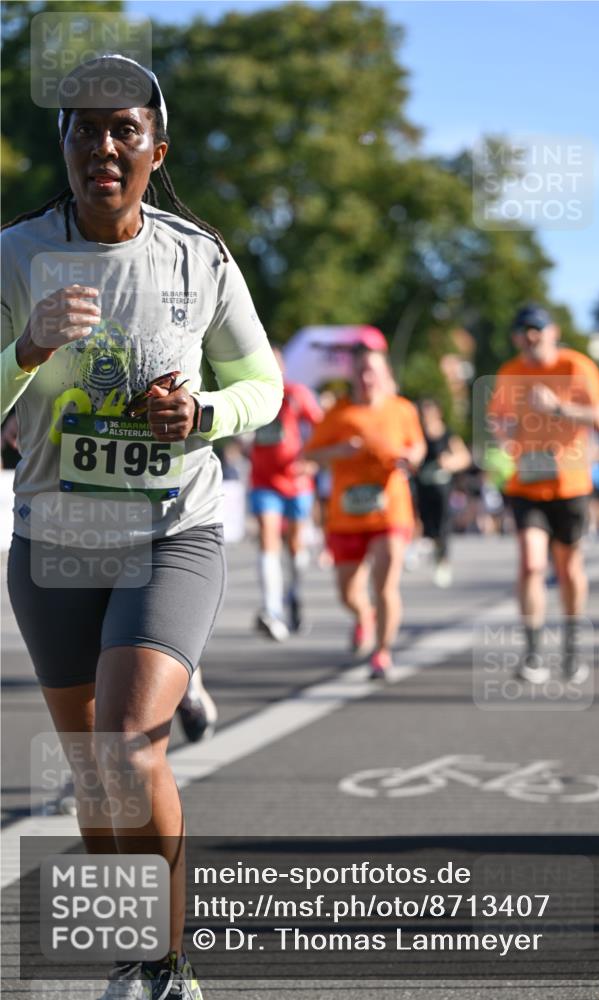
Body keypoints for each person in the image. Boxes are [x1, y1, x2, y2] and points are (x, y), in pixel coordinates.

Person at [1, 55, 283, 1000]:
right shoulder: (13, 254)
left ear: (156, 151)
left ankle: (168, 966)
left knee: (130, 742)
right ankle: (134, 953)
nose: (104, 146)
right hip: (56, 536)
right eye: (85, 130)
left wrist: (203, 414)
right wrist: (25, 348)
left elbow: (266, 387)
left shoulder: (197, 256)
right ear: (67, 150)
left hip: (173, 529)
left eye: (124, 130)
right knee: (93, 770)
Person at [488, 304, 599, 684]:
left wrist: (559, 407)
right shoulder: (510, 373)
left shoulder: (577, 366)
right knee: (530, 564)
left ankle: (572, 649)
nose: (530, 336)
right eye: (523, 329)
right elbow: (499, 419)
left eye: (537, 328)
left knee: (569, 567)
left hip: (569, 482)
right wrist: (501, 436)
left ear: (553, 331)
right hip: (526, 482)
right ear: (515, 336)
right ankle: (533, 653)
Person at [305, 346, 425, 678]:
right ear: (352, 376)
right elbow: (310, 454)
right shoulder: (339, 414)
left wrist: (410, 457)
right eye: (360, 371)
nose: (367, 377)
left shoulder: (401, 410)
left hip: (390, 513)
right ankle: (363, 615)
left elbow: (417, 446)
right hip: (345, 517)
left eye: (373, 370)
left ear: (385, 374)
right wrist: (339, 451)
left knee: (385, 585)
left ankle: (382, 653)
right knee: (347, 593)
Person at [249, 345, 322, 639]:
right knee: (268, 537)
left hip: (296, 482)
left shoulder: (296, 395)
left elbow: (321, 427)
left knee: (295, 545)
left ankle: (295, 594)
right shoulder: (251, 394)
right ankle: (271, 609)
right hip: (264, 482)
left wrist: (312, 459)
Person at [414, 399, 471, 587]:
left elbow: (464, 457)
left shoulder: (447, 434)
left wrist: (450, 462)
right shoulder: (418, 434)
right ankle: (425, 548)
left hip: (442, 487)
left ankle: (443, 561)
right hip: (422, 486)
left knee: (443, 525)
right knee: (424, 521)